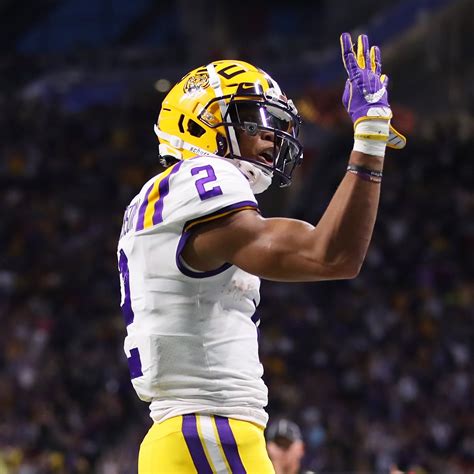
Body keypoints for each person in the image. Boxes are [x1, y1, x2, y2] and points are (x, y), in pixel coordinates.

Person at [117, 32, 406, 473]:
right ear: (200, 126)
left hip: (193, 434)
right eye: (251, 121)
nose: (271, 136)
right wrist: (369, 138)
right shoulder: (202, 177)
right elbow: (330, 255)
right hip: (210, 432)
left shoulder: (163, 200)